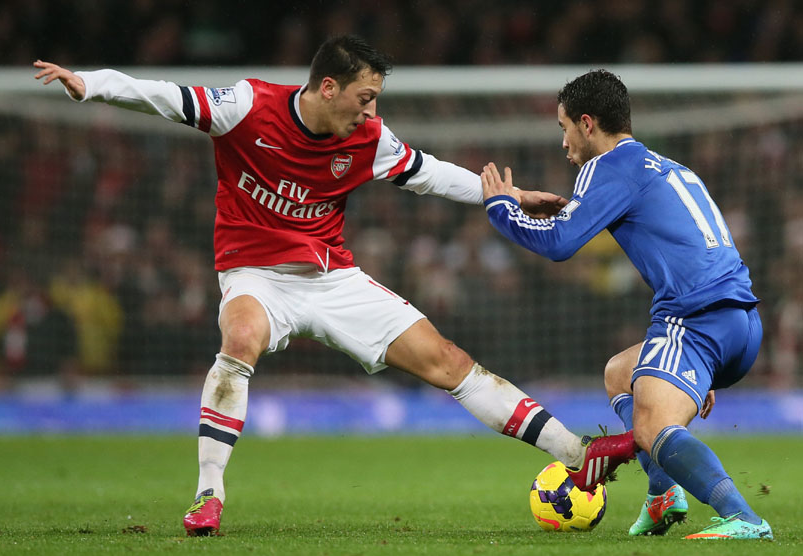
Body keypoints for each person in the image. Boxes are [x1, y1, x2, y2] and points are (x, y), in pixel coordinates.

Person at [33, 36, 637, 537]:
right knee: (239, 337)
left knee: (448, 361)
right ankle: (207, 495)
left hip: (331, 276)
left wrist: (504, 195)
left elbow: (427, 175)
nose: (371, 113)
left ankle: (577, 454)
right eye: (365, 98)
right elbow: (167, 98)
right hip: (255, 274)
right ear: (328, 87)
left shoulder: (369, 139)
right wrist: (92, 82)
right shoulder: (247, 105)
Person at [480, 69, 773, 541]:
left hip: (698, 321)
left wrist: (500, 208)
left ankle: (744, 518)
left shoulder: (607, 167)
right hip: (739, 321)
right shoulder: (669, 167)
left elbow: (558, 244)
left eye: (564, 128)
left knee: (651, 426)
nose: (564, 143)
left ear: (587, 123)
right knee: (621, 373)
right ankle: (662, 496)